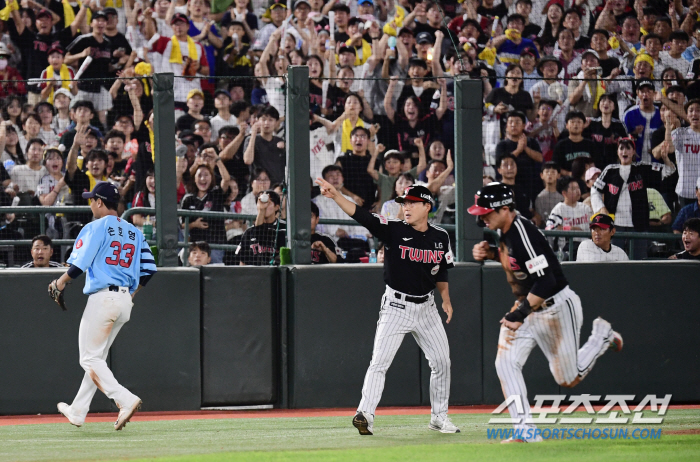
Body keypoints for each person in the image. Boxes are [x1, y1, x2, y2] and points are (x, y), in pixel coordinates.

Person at [468, 182, 622, 443]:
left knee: (568, 378)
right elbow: (520, 264)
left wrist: (519, 314)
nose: (482, 218)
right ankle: (525, 431)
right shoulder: (506, 230)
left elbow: (546, 281)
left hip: (555, 307)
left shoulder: (521, 232)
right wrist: (494, 253)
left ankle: (601, 338)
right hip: (530, 305)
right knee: (505, 363)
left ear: (505, 209)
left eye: (486, 212)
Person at [315, 179, 458, 435]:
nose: (406, 207)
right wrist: (336, 196)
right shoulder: (393, 229)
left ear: (427, 206)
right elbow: (362, 216)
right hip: (396, 306)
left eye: (412, 203)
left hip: (427, 308)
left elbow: (441, 271)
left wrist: (445, 299)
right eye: (404, 203)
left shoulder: (440, 236)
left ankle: (439, 417)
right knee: (379, 362)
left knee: (442, 362)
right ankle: (365, 414)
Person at [53, 182, 157, 430]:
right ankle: (78, 411)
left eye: (92, 200)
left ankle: (125, 399)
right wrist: (131, 294)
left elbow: (79, 266)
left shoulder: (96, 226)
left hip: (103, 298)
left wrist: (59, 282)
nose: (90, 204)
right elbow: (149, 270)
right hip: (123, 301)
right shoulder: (135, 231)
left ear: (99, 202)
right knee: (96, 358)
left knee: (89, 359)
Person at [591, 137, 676, 258]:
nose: (624, 151)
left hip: (639, 225)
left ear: (633, 152)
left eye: (628, 148)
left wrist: (666, 159)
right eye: (621, 148)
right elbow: (594, 189)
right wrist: (601, 207)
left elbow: (669, 171)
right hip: (614, 225)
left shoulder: (642, 169)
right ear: (617, 152)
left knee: (639, 260)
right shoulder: (610, 170)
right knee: (613, 259)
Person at [235, 189, 286, 266]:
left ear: (277, 207)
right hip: (255, 275)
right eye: (260, 202)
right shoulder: (249, 233)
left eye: (268, 203)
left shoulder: (285, 229)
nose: (264, 206)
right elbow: (242, 263)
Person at [665, 99, 700, 208]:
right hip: (685, 190)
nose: (694, 113)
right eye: (691, 111)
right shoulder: (680, 133)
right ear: (687, 115)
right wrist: (667, 123)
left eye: (698, 110)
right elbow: (669, 149)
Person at [545, 176, 593, 256]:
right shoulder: (559, 209)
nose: (578, 191)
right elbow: (549, 229)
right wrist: (570, 228)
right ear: (564, 193)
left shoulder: (585, 208)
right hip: (567, 250)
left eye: (578, 188)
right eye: (574, 189)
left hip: (586, 248)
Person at [534, 162, 562, 226]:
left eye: (553, 172)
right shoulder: (540, 198)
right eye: (547, 172)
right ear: (541, 175)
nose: (549, 174)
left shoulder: (562, 198)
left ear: (558, 175)